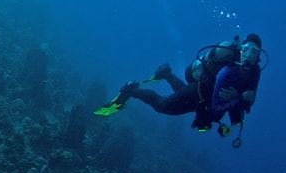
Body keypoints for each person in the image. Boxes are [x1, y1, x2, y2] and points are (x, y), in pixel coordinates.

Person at [95, 34, 264, 136]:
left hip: (203, 101)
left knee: (183, 95)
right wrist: (238, 97)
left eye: (254, 52)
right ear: (241, 48)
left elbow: (249, 101)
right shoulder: (229, 69)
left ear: (259, 55)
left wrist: (238, 99)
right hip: (200, 92)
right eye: (247, 49)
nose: (249, 55)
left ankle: (166, 73)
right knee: (163, 105)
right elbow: (220, 104)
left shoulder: (255, 72)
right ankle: (131, 89)